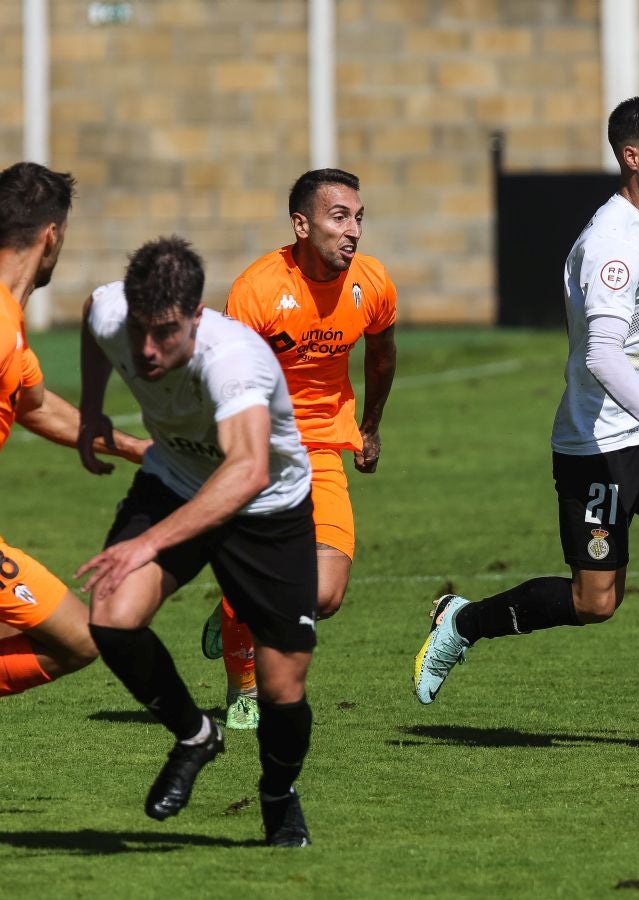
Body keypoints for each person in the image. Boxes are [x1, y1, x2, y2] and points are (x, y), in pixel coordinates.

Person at [412, 96, 639, 751]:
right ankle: (463, 622)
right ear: (632, 157)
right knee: (595, 603)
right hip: (597, 449)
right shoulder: (610, 244)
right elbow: (601, 354)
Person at [78, 237, 317, 847]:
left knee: (282, 687)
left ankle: (278, 794)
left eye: (166, 333)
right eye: (140, 332)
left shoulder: (233, 360)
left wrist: (144, 545)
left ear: (197, 315)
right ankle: (195, 735)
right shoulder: (115, 315)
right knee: (112, 616)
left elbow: (246, 471)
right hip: (176, 482)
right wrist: (91, 409)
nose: (149, 350)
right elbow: (91, 316)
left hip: (266, 509)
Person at [203, 168, 397, 730]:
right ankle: (244, 687)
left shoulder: (372, 281)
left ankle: (236, 603)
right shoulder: (259, 288)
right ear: (301, 224)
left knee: (327, 596)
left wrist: (372, 425)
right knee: (266, 577)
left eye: (359, 218)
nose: (353, 230)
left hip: (325, 448)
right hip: (260, 447)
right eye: (339, 218)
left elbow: (382, 356)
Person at [0, 161, 148, 699]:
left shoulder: (10, 326)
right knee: (77, 641)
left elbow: (34, 404)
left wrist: (137, 449)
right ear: (52, 234)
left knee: (79, 640)